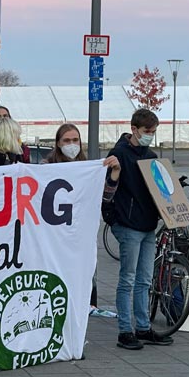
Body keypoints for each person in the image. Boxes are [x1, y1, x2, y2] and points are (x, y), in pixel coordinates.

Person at [107, 108, 171, 350]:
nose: (150, 136)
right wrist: (114, 220)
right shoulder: (120, 154)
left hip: (147, 224)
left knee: (144, 279)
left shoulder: (151, 155)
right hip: (129, 224)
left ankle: (142, 327)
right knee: (128, 279)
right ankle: (125, 330)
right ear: (134, 129)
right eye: (147, 132)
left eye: (154, 132)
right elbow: (108, 188)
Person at [45, 124, 121, 318]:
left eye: (75, 140)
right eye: (67, 141)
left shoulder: (89, 167)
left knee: (82, 280)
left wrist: (113, 175)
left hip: (80, 237)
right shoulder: (47, 167)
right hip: (56, 239)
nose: (72, 144)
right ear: (58, 144)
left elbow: (104, 198)